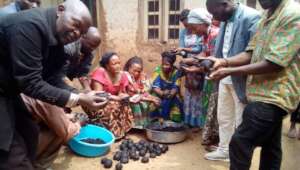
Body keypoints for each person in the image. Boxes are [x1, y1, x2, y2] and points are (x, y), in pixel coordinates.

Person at [0, 1, 105, 169]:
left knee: (30, 132)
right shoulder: (30, 26)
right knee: (11, 151)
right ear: (60, 10)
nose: (76, 33)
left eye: (81, 32)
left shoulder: (56, 40)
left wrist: (82, 95)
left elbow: (52, 78)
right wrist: (77, 99)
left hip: (10, 91)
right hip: (7, 90)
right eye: (75, 24)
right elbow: (30, 82)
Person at [207, 0, 300, 169]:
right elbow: (250, 52)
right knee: (271, 148)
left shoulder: (293, 14)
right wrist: (224, 61)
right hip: (260, 91)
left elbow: (275, 62)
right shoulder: (267, 14)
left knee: (240, 142)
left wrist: (229, 71)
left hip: (275, 94)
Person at [203, 0, 260, 162]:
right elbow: (223, 49)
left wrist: (226, 64)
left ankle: (237, 156)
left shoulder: (252, 17)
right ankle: (224, 150)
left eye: (215, 13)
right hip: (224, 76)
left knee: (241, 121)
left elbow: (254, 54)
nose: (214, 17)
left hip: (241, 78)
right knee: (224, 117)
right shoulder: (225, 19)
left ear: (225, 4)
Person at [86, 52, 134, 139]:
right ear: (107, 66)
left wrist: (123, 96)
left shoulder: (122, 75)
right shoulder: (100, 72)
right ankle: (110, 134)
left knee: (125, 105)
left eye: (119, 63)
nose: (118, 66)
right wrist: (117, 98)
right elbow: (98, 94)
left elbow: (120, 92)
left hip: (112, 100)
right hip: (96, 101)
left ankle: (121, 132)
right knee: (112, 107)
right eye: (114, 64)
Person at [176, 9, 205, 129]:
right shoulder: (183, 32)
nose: (187, 27)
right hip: (187, 64)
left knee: (198, 92)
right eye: (184, 25)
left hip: (198, 63)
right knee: (189, 92)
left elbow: (199, 49)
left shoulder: (199, 31)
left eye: (188, 24)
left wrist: (185, 50)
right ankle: (188, 120)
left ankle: (198, 123)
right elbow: (182, 49)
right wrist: (180, 52)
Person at [124, 56, 161, 129]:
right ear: (128, 68)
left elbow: (145, 91)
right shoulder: (125, 76)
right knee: (138, 103)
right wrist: (150, 99)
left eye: (139, 71)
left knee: (157, 99)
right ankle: (137, 126)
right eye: (134, 70)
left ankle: (148, 122)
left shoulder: (142, 76)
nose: (137, 73)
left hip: (140, 96)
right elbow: (131, 95)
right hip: (129, 99)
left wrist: (152, 98)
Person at [64, 26, 101, 91]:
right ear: (83, 37)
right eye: (90, 45)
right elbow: (59, 74)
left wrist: (88, 90)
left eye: (95, 47)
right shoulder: (70, 48)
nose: (92, 49)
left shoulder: (90, 53)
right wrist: (75, 91)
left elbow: (83, 74)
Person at [150, 51, 183, 122]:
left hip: (172, 95)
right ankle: (156, 120)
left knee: (175, 108)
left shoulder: (176, 72)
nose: (164, 66)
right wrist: (162, 93)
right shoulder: (158, 70)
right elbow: (155, 87)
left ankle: (169, 121)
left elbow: (176, 86)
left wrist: (171, 94)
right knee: (154, 103)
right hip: (159, 93)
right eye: (163, 64)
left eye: (167, 64)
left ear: (172, 64)